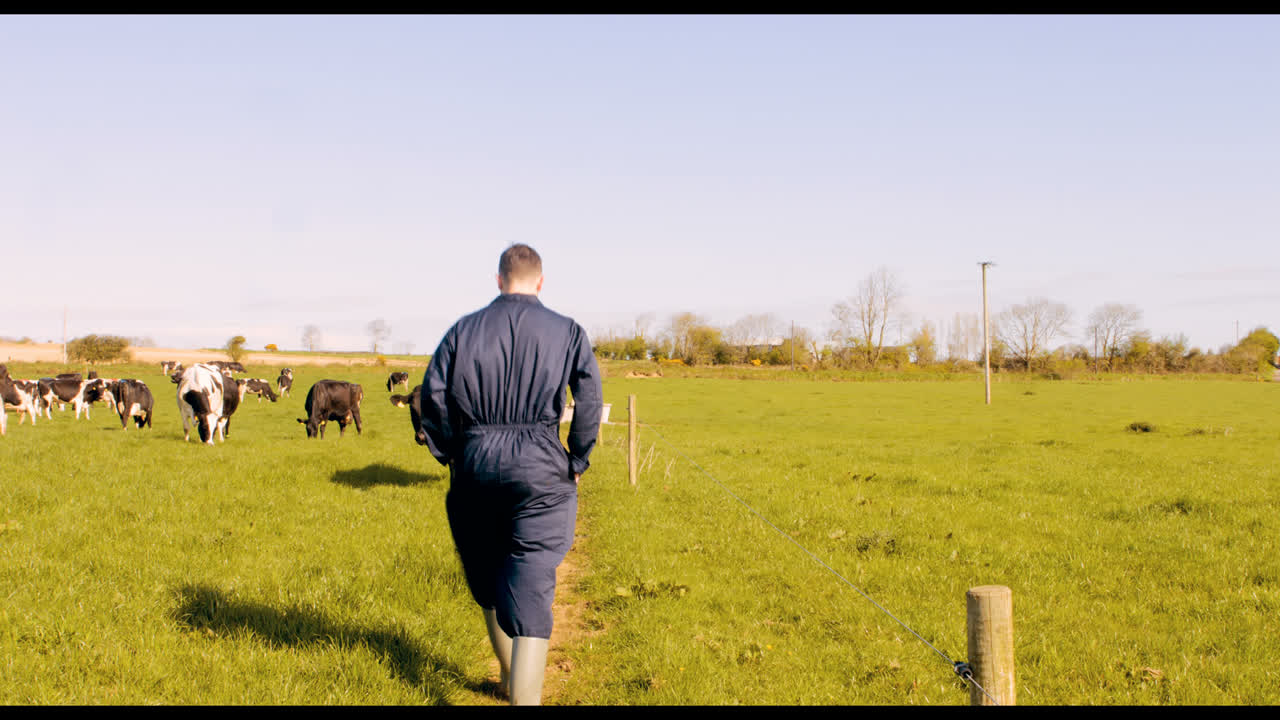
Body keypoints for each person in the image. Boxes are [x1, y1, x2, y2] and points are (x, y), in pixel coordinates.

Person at [418, 243, 603, 705]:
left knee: (487, 573)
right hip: (542, 466)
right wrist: (576, 459)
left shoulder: (462, 330)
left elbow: (431, 398)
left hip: (476, 462)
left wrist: (452, 454)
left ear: (499, 280)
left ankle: (505, 676)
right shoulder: (568, 331)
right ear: (540, 282)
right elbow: (590, 399)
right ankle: (524, 698)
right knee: (533, 577)